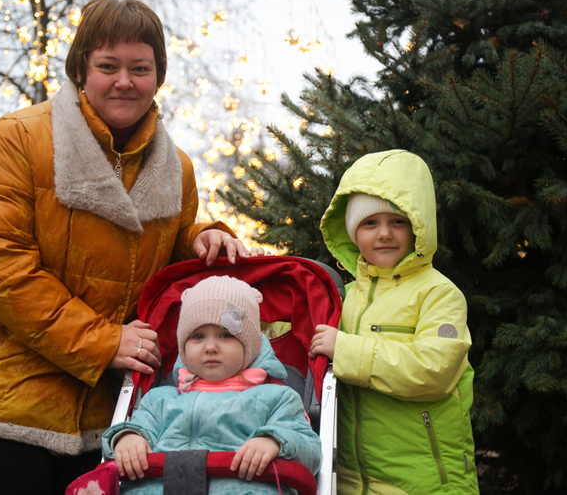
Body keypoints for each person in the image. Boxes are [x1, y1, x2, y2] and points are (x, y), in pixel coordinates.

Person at [0, 0, 259, 495]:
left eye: (140, 68)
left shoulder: (177, 168)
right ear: (81, 68)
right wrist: (104, 343)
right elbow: (0, 266)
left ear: (158, 76)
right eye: (108, 66)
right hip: (3, 378)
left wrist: (200, 238)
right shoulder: (18, 139)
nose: (124, 80)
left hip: (103, 400)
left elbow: (167, 264)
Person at [310, 149, 479, 495]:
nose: (384, 233)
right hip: (349, 481)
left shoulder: (438, 294)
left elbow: (433, 370)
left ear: (418, 226)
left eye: (398, 221)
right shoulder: (343, 297)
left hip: (425, 483)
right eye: (370, 223)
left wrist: (347, 350)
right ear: (353, 233)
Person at [101, 275, 321, 495]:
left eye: (225, 335)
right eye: (198, 336)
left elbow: (310, 450)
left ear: (250, 345)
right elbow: (138, 430)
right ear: (183, 346)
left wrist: (275, 442)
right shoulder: (158, 401)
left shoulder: (277, 398)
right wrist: (127, 439)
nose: (210, 347)